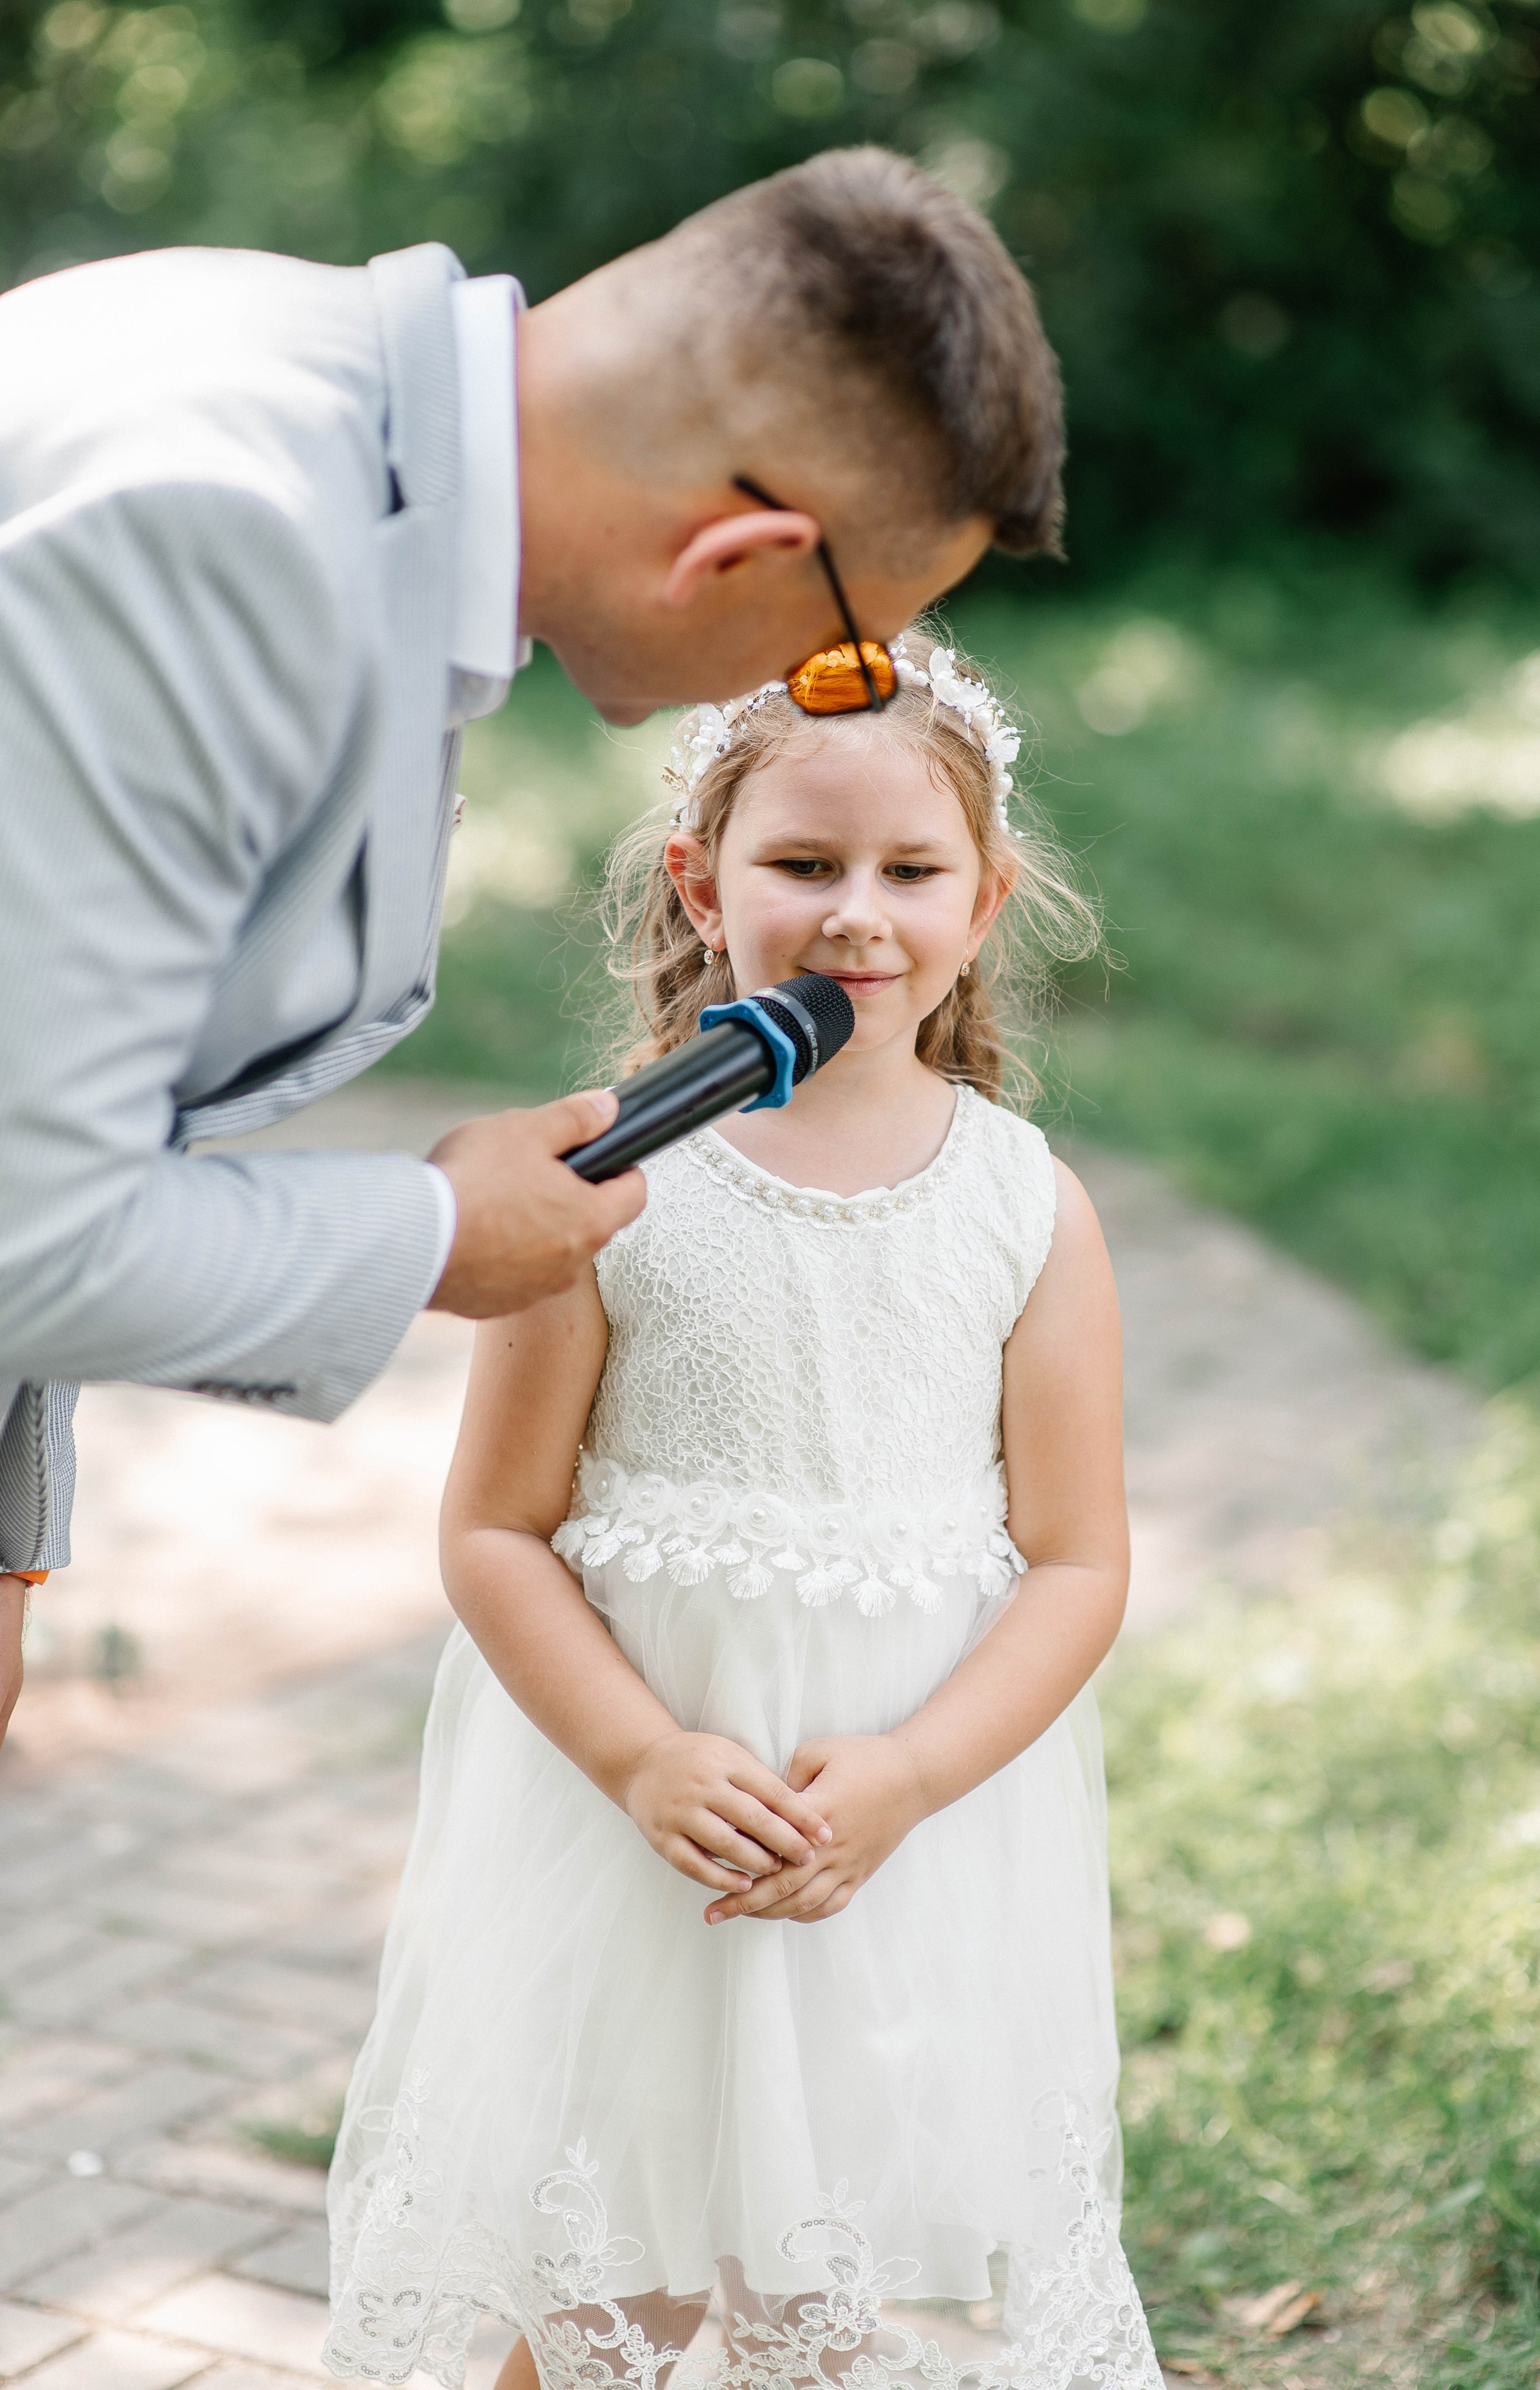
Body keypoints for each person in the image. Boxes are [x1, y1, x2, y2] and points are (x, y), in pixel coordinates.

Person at [0, 147, 1065, 1747]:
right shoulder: (222, 537)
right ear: (738, 554)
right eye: (851, 653)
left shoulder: (254, 372)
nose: (831, 687)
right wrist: (430, 1236)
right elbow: (29, 1213)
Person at [322, 625, 1160, 2390]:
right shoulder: (607, 1181)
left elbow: (1081, 1561)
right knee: (610, 2293)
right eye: (804, 862)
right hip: (647, 1817)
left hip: (890, 1825)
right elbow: (495, 1529)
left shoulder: (1026, 1204)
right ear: (706, 884)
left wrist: (919, 1771)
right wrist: (636, 1754)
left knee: (817, 2264)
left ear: (984, 897)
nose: (858, 911)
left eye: (910, 869)